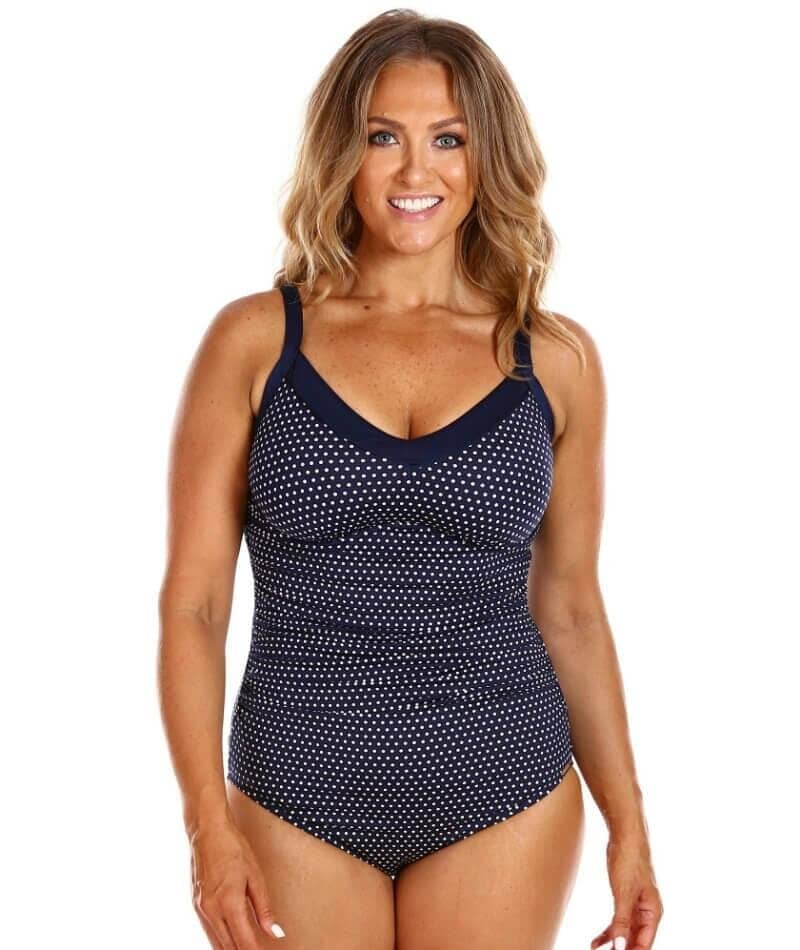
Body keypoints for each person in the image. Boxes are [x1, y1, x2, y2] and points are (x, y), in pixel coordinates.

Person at [158, 10, 663, 950]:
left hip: (504, 785)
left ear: (488, 155)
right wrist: (205, 830)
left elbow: (572, 610)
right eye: (383, 136)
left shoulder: (554, 361)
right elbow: (193, 606)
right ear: (341, 153)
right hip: (297, 785)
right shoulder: (256, 342)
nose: (414, 171)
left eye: (449, 139)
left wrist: (629, 823)